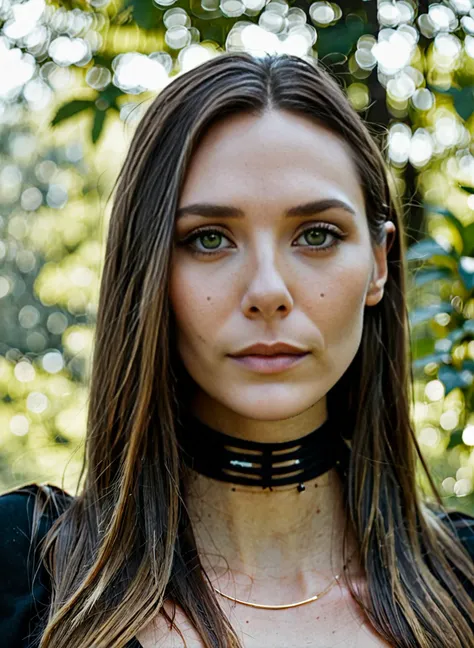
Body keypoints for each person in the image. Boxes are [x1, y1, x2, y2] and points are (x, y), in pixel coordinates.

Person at [0, 52, 473, 648]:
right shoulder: (23, 573)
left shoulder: (465, 582)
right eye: (210, 239)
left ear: (379, 264)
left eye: (317, 235)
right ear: (146, 269)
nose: (268, 291)